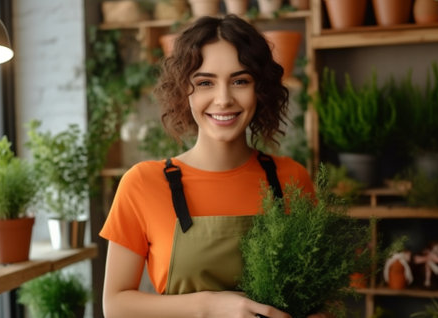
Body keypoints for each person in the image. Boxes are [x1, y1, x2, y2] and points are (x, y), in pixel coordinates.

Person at [100, 14, 323, 318]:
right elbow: (115, 306)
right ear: (183, 91)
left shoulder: (293, 178)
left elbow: (320, 296)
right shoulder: (142, 183)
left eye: (240, 81)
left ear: (260, 89)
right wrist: (209, 305)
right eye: (205, 82)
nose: (223, 99)